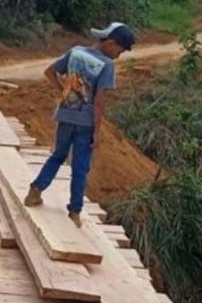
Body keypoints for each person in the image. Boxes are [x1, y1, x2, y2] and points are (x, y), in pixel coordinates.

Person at [23, 23, 135, 227]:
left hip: (65, 114)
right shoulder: (106, 65)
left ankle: (34, 192)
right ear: (111, 43)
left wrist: (64, 93)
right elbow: (99, 101)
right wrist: (97, 131)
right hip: (85, 122)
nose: (118, 56)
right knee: (80, 167)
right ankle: (75, 212)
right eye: (119, 51)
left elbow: (49, 72)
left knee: (57, 155)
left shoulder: (75, 52)